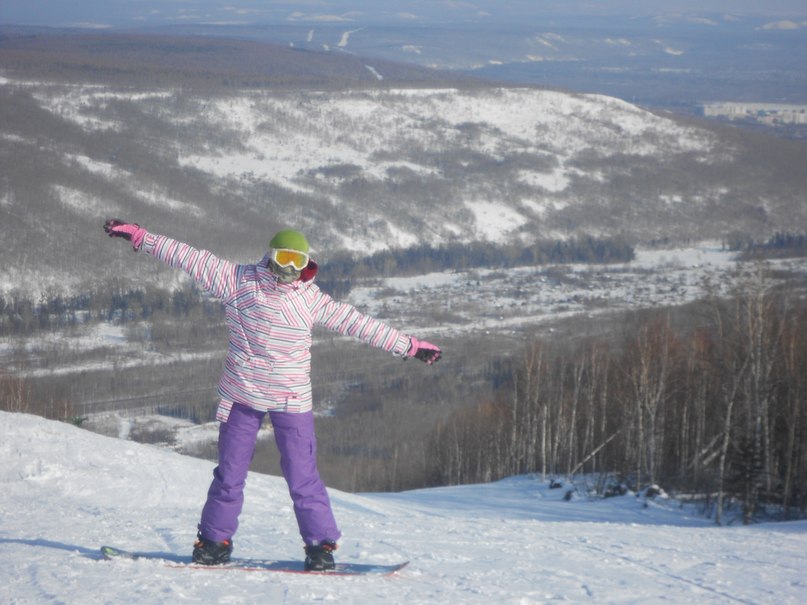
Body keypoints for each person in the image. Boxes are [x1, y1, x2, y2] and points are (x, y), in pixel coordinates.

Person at [103, 219, 442, 571]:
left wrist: (409, 347)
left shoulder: (312, 300)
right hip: (242, 394)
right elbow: (188, 257)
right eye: (283, 258)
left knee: (302, 474)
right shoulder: (237, 281)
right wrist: (143, 238)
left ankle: (319, 547)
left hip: (291, 399)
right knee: (230, 474)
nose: (288, 269)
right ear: (270, 256)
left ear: (307, 264)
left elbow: (359, 323)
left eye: (297, 261)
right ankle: (213, 543)